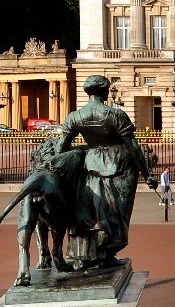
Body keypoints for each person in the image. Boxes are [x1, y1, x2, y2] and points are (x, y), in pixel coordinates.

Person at [57, 75, 153, 270]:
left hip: (90, 164)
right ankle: (107, 254)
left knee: (89, 212)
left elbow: (61, 150)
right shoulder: (115, 115)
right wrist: (147, 173)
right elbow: (133, 148)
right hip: (118, 166)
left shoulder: (75, 117)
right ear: (105, 92)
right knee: (116, 212)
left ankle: (85, 255)